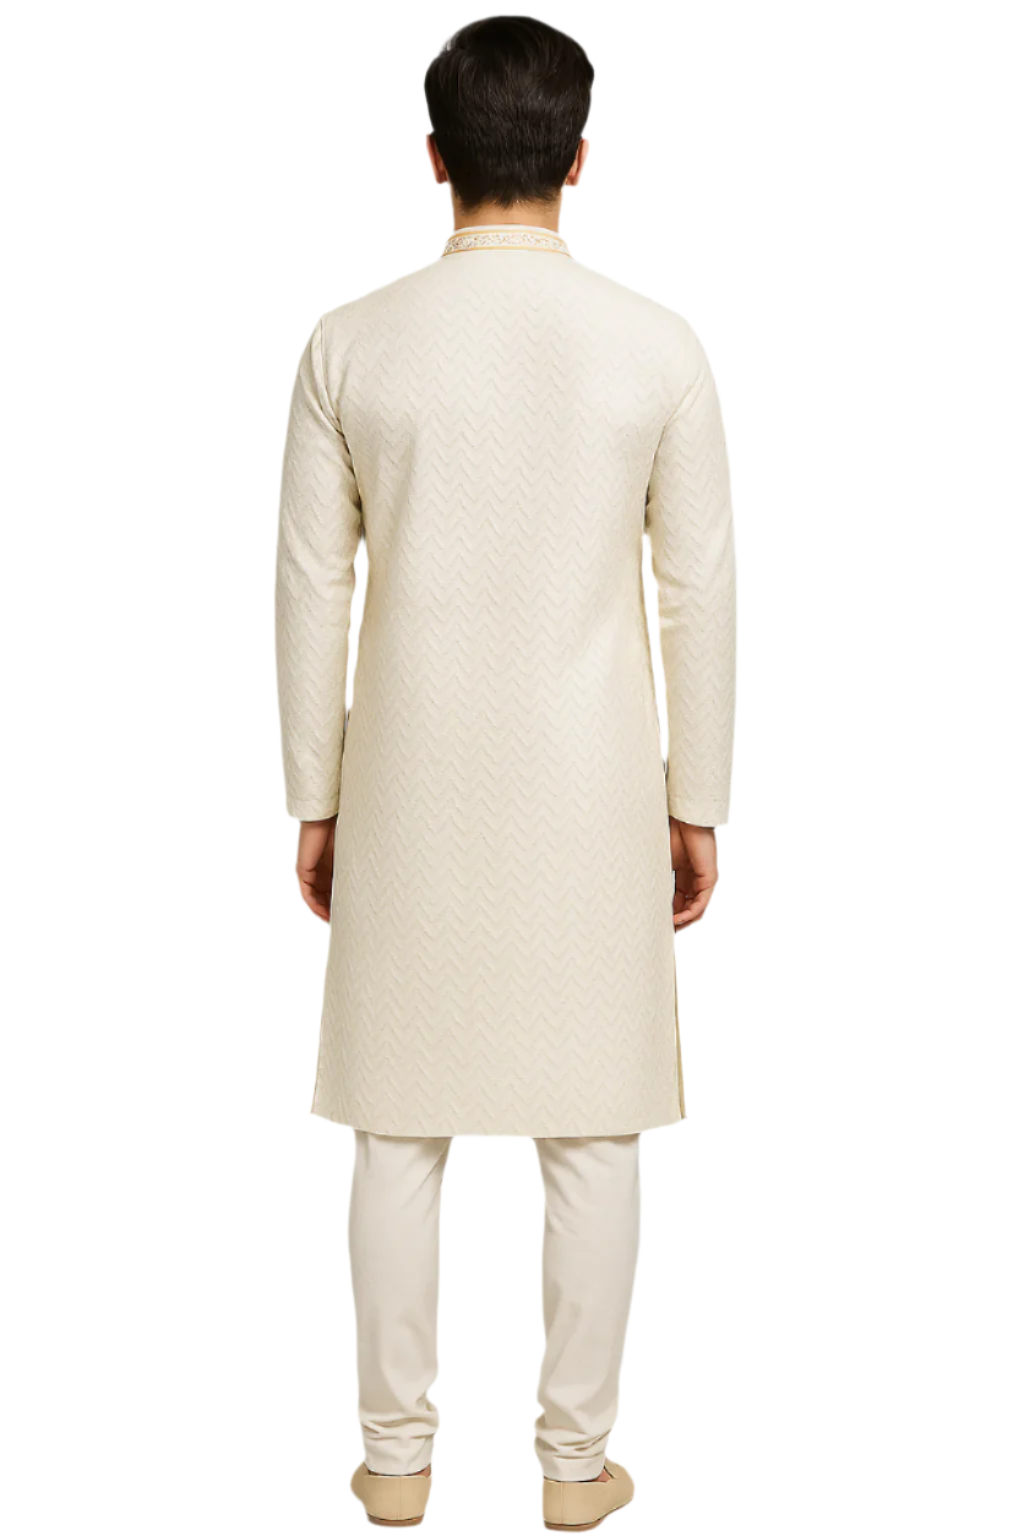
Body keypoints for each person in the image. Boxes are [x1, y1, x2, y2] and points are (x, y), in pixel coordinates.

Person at [275, 16, 736, 1530]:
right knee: (592, 1128)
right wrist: (695, 796)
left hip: (406, 784)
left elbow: (311, 587)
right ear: (579, 159)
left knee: (395, 1128)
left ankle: (395, 1463)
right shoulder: (657, 346)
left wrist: (316, 795)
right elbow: (697, 589)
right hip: (592, 789)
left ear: (436, 158)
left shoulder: (350, 343)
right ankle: (574, 1469)